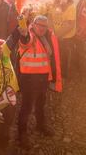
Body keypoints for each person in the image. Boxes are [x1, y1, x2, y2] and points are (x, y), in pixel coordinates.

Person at [17, 15, 62, 149]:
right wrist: (24, 33)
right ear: (33, 24)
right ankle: (22, 133)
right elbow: (24, 42)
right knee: (26, 107)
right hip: (29, 78)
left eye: (45, 26)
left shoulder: (47, 37)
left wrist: (53, 77)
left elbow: (53, 58)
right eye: (39, 25)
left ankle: (40, 125)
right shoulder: (28, 35)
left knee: (41, 104)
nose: (42, 28)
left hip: (43, 77)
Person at [49, 0, 76, 80]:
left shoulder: (71, 6)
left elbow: (70, 24)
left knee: (64, 57)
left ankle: (63, 76)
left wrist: (57, 35)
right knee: (54, 55)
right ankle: (54, 74)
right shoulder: (53, 2)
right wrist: (53, 32)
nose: (62, 0)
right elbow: (50, 18)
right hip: (55, 35)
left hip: (66, 38)